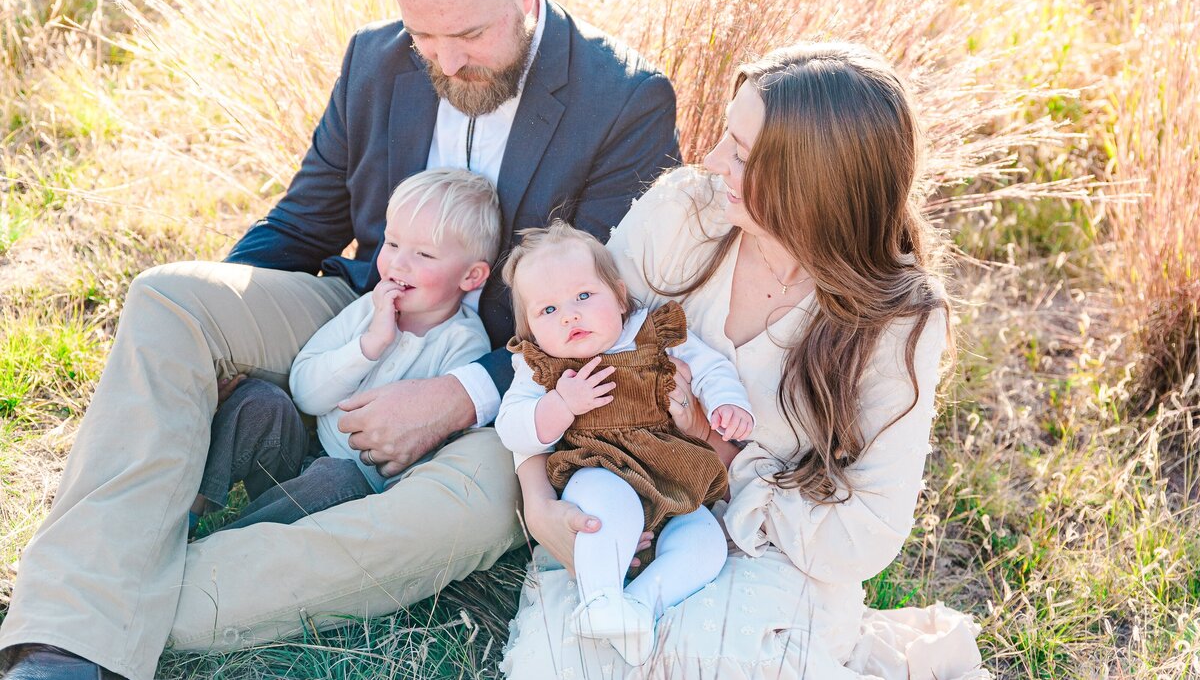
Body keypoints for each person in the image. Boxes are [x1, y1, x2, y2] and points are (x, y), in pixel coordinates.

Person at [0, 0, 678, 680]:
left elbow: (596, 313)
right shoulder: (375, 59)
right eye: (426, 36)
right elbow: (299, 227)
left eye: (468, 33)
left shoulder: (626, 101)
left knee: (459, 516)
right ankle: (73, 628)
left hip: (522, 386)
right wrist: (226, 334)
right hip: (366, 309)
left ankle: (85, 603)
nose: (446, 61)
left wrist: (457, 394)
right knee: (170, 299)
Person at [501, 43, 990, 679]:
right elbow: (550, 353)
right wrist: (539, 504)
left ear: (811, 183)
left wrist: (719, 455)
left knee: (716, 661)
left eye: (740, 153)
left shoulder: (897, 320)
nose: (709, 162)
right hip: (630, 519)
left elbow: (865, 530)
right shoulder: (686, 214)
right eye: (725, 138)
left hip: (774, 558)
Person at [495, 222, 753, 665]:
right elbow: (511, 427)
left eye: (583, 297)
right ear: (531, 330)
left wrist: (727, 402)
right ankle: (599, 599)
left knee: (706, 541)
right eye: (548, 310)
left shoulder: (654, 333)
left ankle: (638, 607)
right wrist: (559, 404)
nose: (570, 316)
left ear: (618, 295)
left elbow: (711, 368)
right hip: (600, 470)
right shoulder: (540, 367)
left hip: (672, 478)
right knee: (603, 508)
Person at [190, 168, 500, 532]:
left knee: (335, 476)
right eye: (393, 244)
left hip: (355, 490)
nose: (398, 263)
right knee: (259, 402)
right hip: (302, 447)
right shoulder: (370, 307)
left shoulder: (464, 345)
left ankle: (229, 543)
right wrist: (369, 346)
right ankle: (186, 510)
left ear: (471, 277)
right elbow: (304, 394)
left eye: (424, 255)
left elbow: (430, 451)